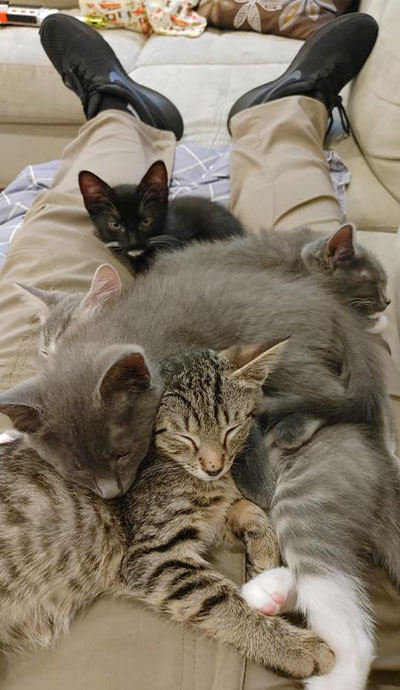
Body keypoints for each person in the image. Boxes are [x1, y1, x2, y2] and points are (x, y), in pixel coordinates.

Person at [0, 12, 398, 690]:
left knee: (59, 271)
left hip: (111, 515)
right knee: (312, 271)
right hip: (195, 585)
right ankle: (284, 112)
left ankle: (114, 110)